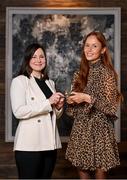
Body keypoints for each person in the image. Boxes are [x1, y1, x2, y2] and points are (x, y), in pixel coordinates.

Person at [65, 31, 121, 179]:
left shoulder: (107, 74)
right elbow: (72, 113)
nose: (89, 49)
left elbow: (111, 108)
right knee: (82, 174)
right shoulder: (79, 74)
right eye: (87, 45)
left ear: (102, 50)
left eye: (94, 46)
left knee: (100, 174)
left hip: (100, 132)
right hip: (80, 130)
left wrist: (87, 98)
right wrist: (71, 102)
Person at [10, 43, 64, 179]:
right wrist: (48, 102)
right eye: (34, 57)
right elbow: (19, 111)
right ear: (28, 59)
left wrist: (58, 107)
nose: (38, 60)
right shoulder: (20, 81)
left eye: (42, 56)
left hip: (49, 144)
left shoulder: (50, 83)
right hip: (29, 145)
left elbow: (52, 116)